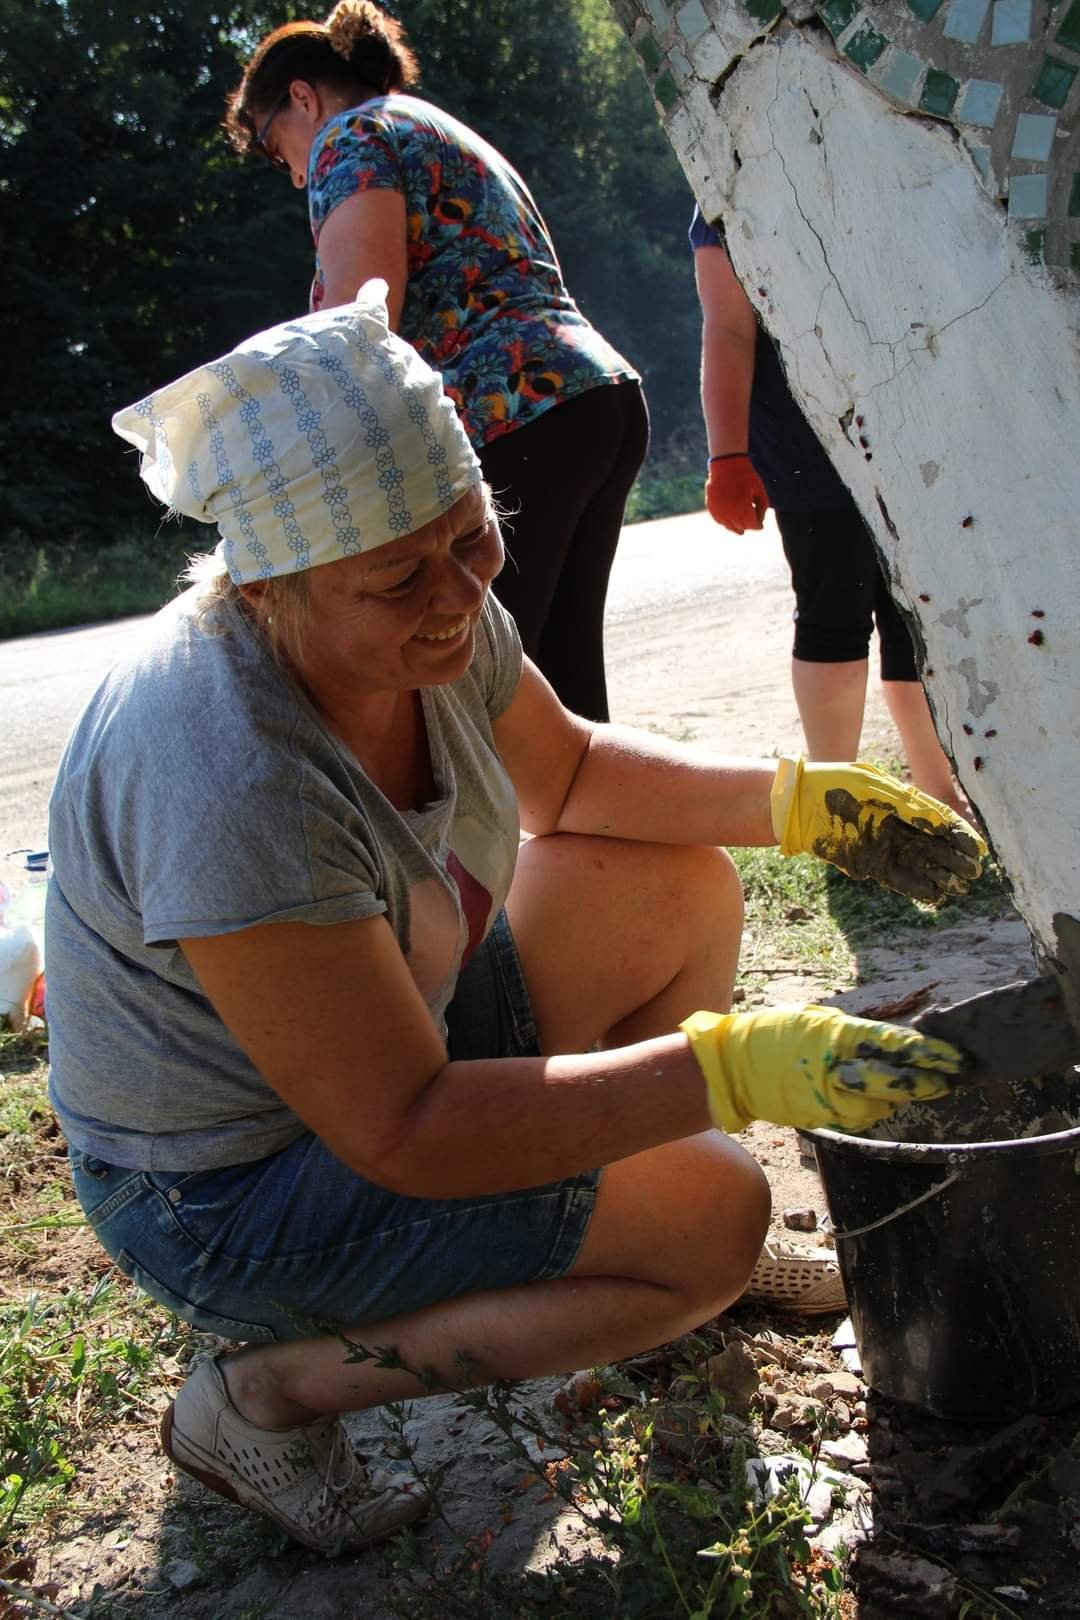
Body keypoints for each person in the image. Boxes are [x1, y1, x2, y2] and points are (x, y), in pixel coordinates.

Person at [46, 284, 985, 1556]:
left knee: (667, 884)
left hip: (387, 1046)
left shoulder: (432, 603)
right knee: (714, 1213)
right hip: (223, 1188)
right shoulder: (228, 772)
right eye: (399, 578)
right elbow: (407, 1128)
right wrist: (734, 1070)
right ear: (271, 585)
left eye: (473, 540)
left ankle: (651, 1272)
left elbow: (577, 778)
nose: (456, 598)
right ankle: (266, 1397)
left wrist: (798, 803)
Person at [223, 0, 647, 725]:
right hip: (592, 398)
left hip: (515, 413)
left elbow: (362, 324)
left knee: (468, 697)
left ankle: (467, 842)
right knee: (566, 696)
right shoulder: (430, 124)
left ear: (302, 97)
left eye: (271, 145)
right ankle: (614, 837)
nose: (290, 173)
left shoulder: (348, 137)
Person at [691, 208, 969, 817]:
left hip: (911, 423)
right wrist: (728, 456)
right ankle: (838, 805)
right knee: (835, 608)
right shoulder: (724, 185)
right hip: (802, 440)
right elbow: (728, 328)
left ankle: (938, 790)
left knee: (917, 613)